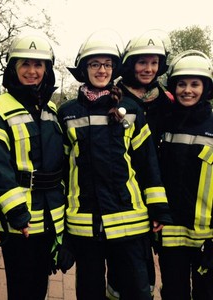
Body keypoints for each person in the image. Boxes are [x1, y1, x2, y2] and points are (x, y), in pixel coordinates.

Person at [57, 29, 172, 300]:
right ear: (84, 69)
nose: (102, 70)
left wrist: (158, 209)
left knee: (135, 292)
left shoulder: (131, 110)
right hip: (84, 222)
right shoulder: (67, 112)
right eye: (95, 64)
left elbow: (147, 165)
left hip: (129, 222)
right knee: (90, 292)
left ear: (114, 68)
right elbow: (62, 168)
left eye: (107, 64)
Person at [0, 33, 65, 300]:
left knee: (40, 285)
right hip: (20, 220)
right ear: (13, 69)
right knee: (21, 288)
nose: (32, 71)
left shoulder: (50, 109)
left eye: (38, 65)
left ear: (46, 69)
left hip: (50, 215)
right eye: (25, 64)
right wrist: (17, 213)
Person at [106, 29, 173, 299]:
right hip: (124, 191)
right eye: (142, 62)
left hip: (158, 186)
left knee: (148, 259)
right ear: (131, 65)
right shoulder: (114, 97)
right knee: (123, 262)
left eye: (154, 63)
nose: (148, 69)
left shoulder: (167, 100)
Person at [158, 50, 213, 300]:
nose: (187, 90)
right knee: (173, 293)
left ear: (206, 87)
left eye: (195, 84)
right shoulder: (164, 123)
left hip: (208, 236)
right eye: (181, 84)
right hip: (171, 235)